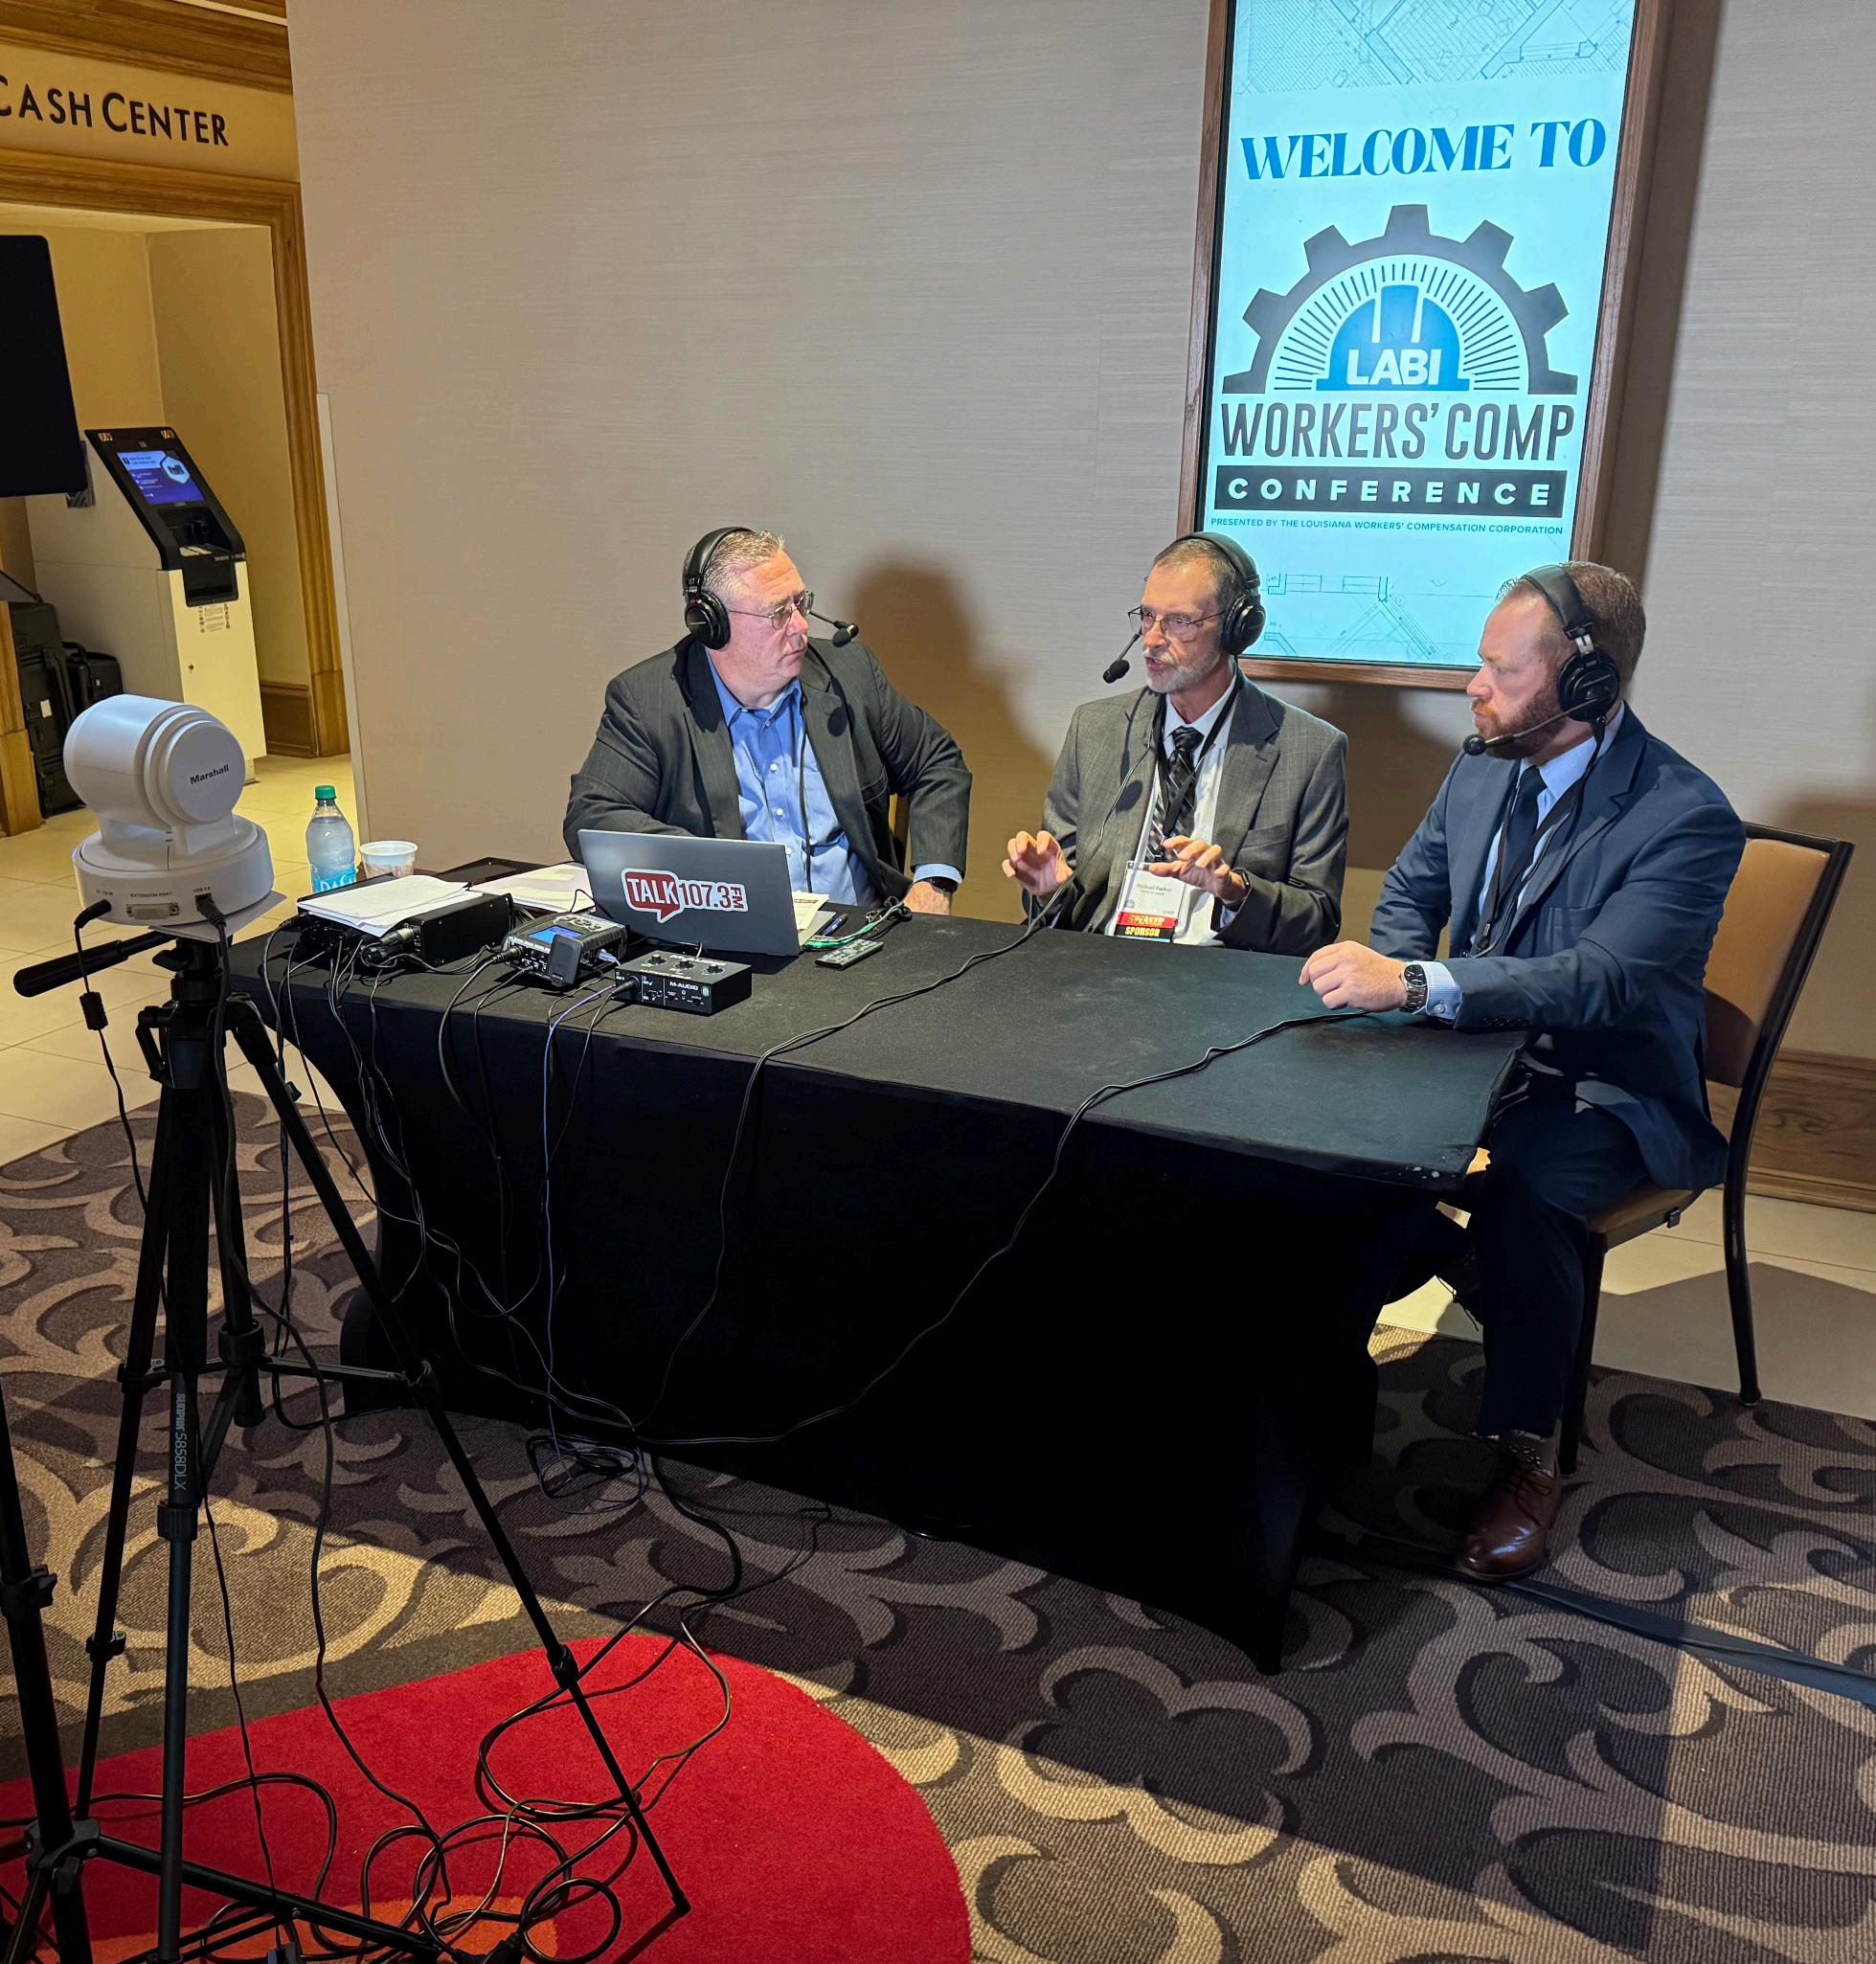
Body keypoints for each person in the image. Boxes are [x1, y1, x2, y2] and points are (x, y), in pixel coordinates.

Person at [1300, 562, 1745, 1581]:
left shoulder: (1685, 815)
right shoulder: (1481, 766)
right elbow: (1411, 890)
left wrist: (1416, 982)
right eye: (1479, 663)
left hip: (1603, 1084)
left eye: (1500, 670)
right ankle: (1324, 1375)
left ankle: (1529, 1452)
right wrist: (1399, 984)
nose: (1474, 687)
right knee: (1317, 1136)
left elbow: (1599, 980)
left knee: (1531, 1190)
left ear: (1586, 682)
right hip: (1470, 1054)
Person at [564, 529, 971, 912]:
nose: (801, 627)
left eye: (800, 603)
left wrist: (934, 883)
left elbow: (936, 761)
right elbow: (593, 816)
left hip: (862, 934)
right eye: (779, 613)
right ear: (712, 626)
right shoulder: (649, 700)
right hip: (732, 941)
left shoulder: (849, 674)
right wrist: (714, 868)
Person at [1002, 533, 1346, 951]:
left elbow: (1318, 920)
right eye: (1148, 616)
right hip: (1103, 962)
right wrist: (1047, 891)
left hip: (1222, 972)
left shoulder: (1309, 750)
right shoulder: (1094, 730)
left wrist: (1236, 892)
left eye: (1179, 621)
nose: (1151, 639)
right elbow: (1064, 908)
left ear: (1237, 629)